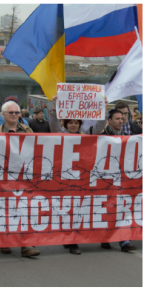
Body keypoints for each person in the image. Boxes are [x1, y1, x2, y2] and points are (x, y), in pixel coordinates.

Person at [50, 95, 108, 254]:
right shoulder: (60, 133)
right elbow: (53, 124)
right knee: (68, 209)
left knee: (79, 208)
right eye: (71, 123)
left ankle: (73, 239)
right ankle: (70, 238)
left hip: (82, 177)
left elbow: (100, 125)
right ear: (66, 124)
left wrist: (104, 108)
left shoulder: (86, 134)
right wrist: (55, 108)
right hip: (65, 178)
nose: (74, 125)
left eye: (76, 122)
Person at [0, 100, 40, 258]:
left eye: (16, 112)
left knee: (25, 209)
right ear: (3, 115)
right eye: (11, 112)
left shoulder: (28, 130)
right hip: (3, 178)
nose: (14, 115)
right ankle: (5, 241)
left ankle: (26, 245)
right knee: (5, 209)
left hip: (24, 176)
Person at [101, 109, 138, 252]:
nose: (121, 121)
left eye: (122, 118)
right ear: (109, 120)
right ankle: (105, 237)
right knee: (107, 208)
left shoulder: (128, 137)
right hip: (105, 178)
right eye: (117, 118)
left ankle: (124, 241)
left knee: (122, 208)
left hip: (122, 179)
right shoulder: (102, 137)